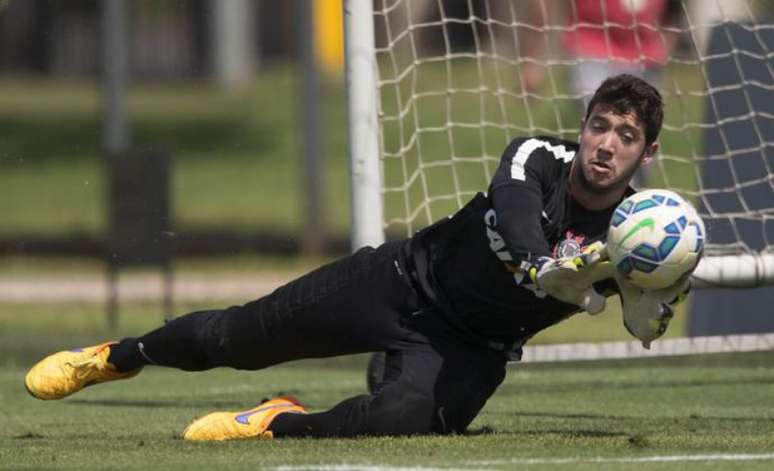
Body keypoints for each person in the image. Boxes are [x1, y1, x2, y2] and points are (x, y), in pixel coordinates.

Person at [25, 74, 690, 441]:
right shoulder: (536, 156)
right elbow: (514, 206)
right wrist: (542, 263)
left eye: (626, 136)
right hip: (400, 282)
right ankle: (118, 356)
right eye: (600, 124)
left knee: (401, 419)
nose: (606, 143)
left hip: (472, 349)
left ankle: (275, 419)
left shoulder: (635, 231)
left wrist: (646, 309)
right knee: (236, 335)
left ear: (646, 154)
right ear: (583, 125)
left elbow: (647, 312)